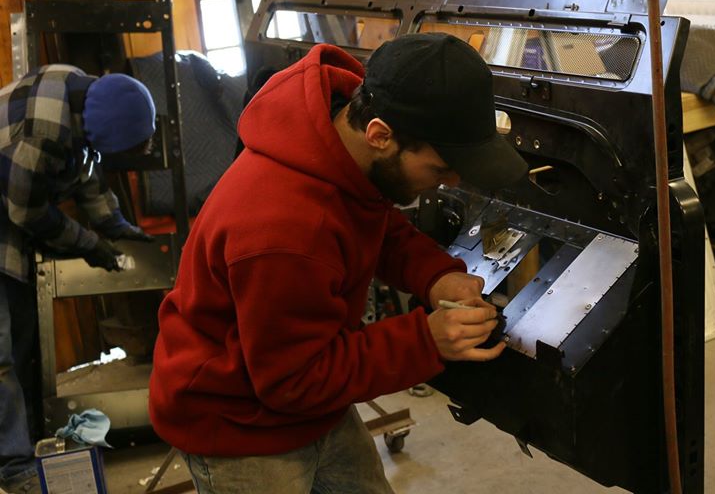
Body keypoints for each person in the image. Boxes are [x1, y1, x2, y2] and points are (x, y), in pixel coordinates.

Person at [149, 33, 528, 494]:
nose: (447, 182)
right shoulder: (284, 229)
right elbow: (294, 379)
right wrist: (424, 341)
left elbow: (375, 224)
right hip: (238, 422)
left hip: (310, 400)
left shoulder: (334, 144)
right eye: (439, 169)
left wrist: (436, 276)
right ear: (381, 135)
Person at [0, 65, 157, 493]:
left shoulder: (84, 96)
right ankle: (13, 468)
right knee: (2, 355)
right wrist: (89, 244)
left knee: (23, 343)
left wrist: (116, 226)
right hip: (7, 215)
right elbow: (28, 212)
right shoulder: (41, 134)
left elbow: (87, 167)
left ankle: (27, 446)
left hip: (9, 211)